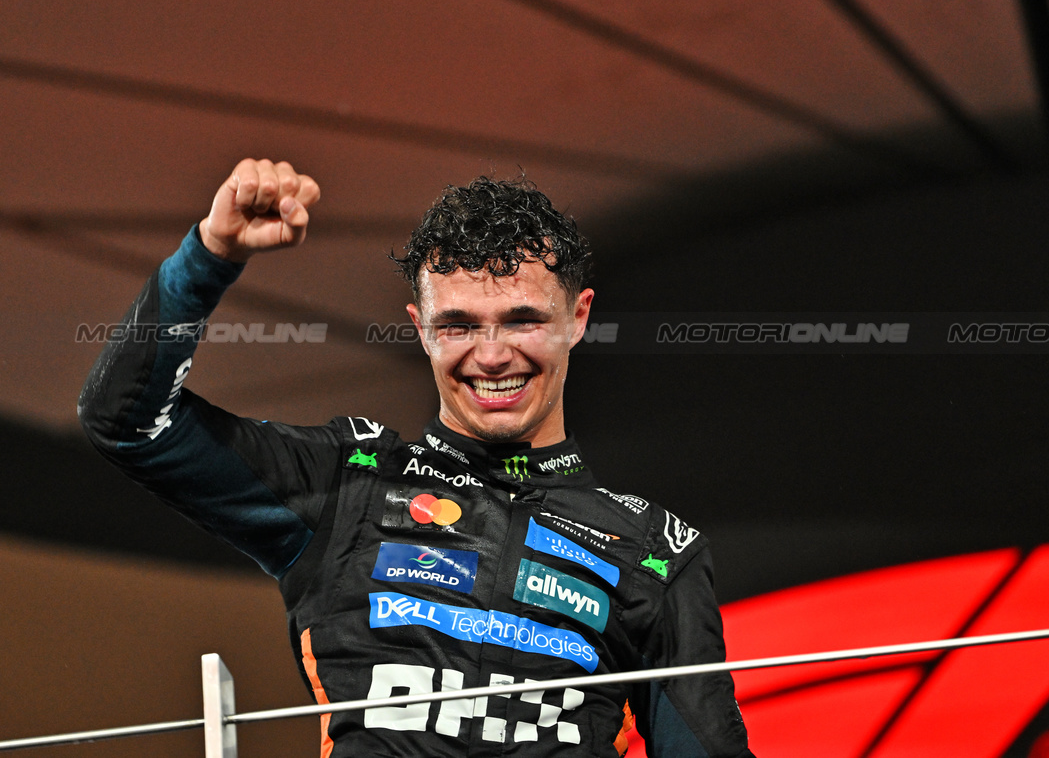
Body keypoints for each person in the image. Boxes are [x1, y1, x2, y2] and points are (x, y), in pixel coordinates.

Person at [79, 158, 753, 757]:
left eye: (522, 320)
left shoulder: (654, 549)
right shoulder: (348, 482)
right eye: (458, 325)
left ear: (577, 319)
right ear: (420, 330)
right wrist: (209, 256)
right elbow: (126, 422)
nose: (492, 356)